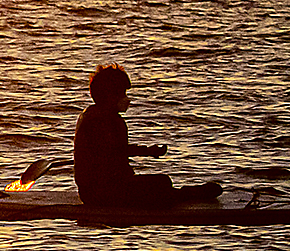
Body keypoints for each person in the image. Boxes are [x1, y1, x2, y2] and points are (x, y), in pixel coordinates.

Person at [72, 65, 220, 208]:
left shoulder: (94, 115)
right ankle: (188, 194)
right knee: (162, 183)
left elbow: (115, 150)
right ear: (109, 95)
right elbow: (115, 151)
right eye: (122, 93)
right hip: (102, 193)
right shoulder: (101, 120)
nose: (126, 99)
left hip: (101, 190)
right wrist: (147, 152)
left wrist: (148, 151)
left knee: (161, 183)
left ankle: (184, 193)